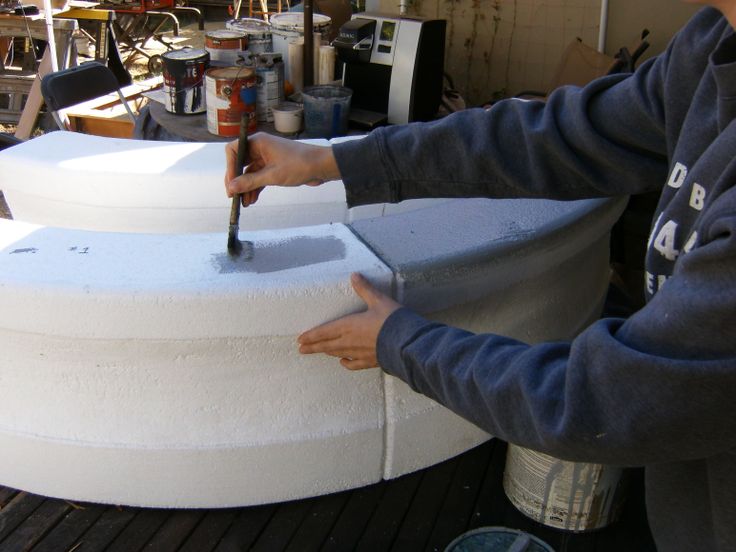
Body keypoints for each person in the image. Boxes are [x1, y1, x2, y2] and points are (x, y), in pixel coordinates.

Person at [224, 3, 736, 550]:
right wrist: (332, 162)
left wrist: (404, 343)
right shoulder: (712, 46)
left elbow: (613, 399)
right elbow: (552, 138)